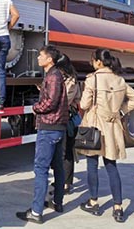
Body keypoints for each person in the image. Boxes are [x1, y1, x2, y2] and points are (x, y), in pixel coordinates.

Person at [78, 48, 134, 223]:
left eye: (93, 60)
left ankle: (93, 202)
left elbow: (84, 104)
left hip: (95, 126)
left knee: (92, 165)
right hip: (112, 127)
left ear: (99, 62)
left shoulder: (93, 79)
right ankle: (118, 207)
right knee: (111, 166)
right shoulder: (119, 80)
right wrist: (120, 111)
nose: (92, 63)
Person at [16, 45, 69, 224]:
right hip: (58, 127)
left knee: (41, 169)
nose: (38, 58)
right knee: (58, 166)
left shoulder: (53, 76)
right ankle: (57, 202)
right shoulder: (54, 75)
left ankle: (36, 211)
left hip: (49, 127)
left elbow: (51, 102)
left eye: (41, 55)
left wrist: (36, 108)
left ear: (49, 59)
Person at [56, 53, 81, 194]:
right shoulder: (65, 79)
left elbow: (65, 101)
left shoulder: (71, 82)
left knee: (65, 153)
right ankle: (63, 181)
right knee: (62, 152)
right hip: (63, 119)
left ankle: (65, 184)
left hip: (67, 119)